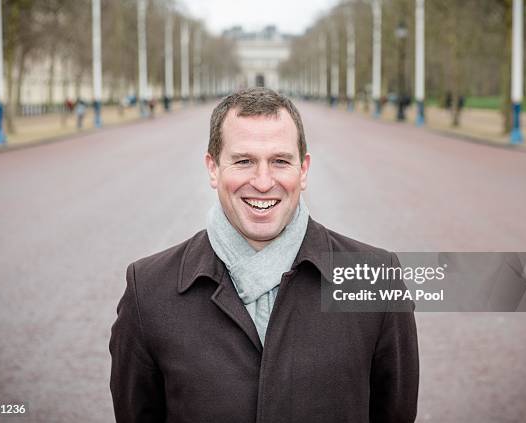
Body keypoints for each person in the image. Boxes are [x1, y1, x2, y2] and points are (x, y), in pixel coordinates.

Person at [109, 87, 419, 422]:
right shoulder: (149, 290)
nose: (262, 181)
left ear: (303, 170)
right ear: (213, 169)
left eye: (280, 161)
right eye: (244, 161)